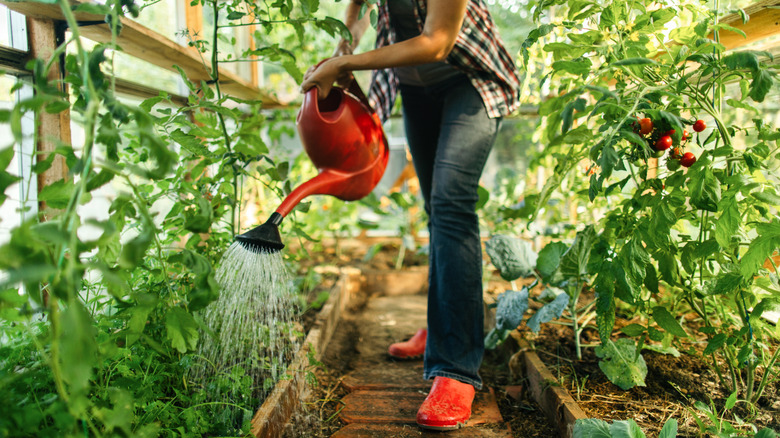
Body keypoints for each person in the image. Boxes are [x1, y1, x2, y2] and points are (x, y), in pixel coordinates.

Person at [301, 0, 521, 430]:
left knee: (451, 204)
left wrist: (350, 61)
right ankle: (444, 330)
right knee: (436, 210)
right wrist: (339, 51)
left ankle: (456, 370)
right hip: (417, 89)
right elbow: (358, 7)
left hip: (469, 82)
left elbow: (437, 41)